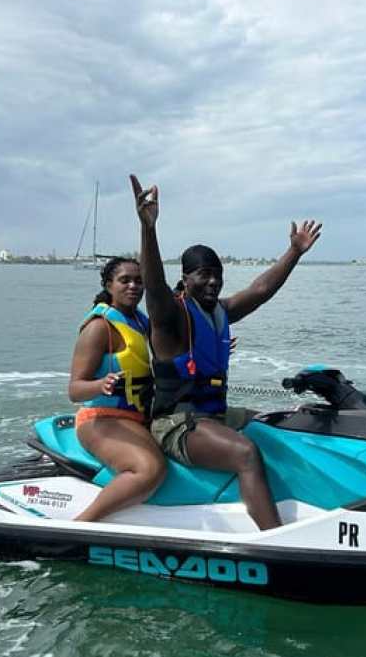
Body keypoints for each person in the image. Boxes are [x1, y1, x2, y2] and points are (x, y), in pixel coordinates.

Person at [129, 174, 322, 530]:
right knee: (245, 454)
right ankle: (273, 538)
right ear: (185, 278)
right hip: (176, 423)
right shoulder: (170, 316)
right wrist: (148, 229)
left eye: (217, 275)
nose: (214, 282)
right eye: (204, 275)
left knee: (283, 421)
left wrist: (294, 251)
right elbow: (154, 285)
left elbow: (261, 289)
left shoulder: (219, 311)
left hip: (214, 415)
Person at [67, 257, 166, 521]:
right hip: (101, 417)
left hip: (137, 416)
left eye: (139, 280)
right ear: (109, 285)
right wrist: (101, 384)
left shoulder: (139, 322)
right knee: (149, 469)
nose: (133, 286)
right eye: (125, 280)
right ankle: (81, 526)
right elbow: (74, 390)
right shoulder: (100, 328)